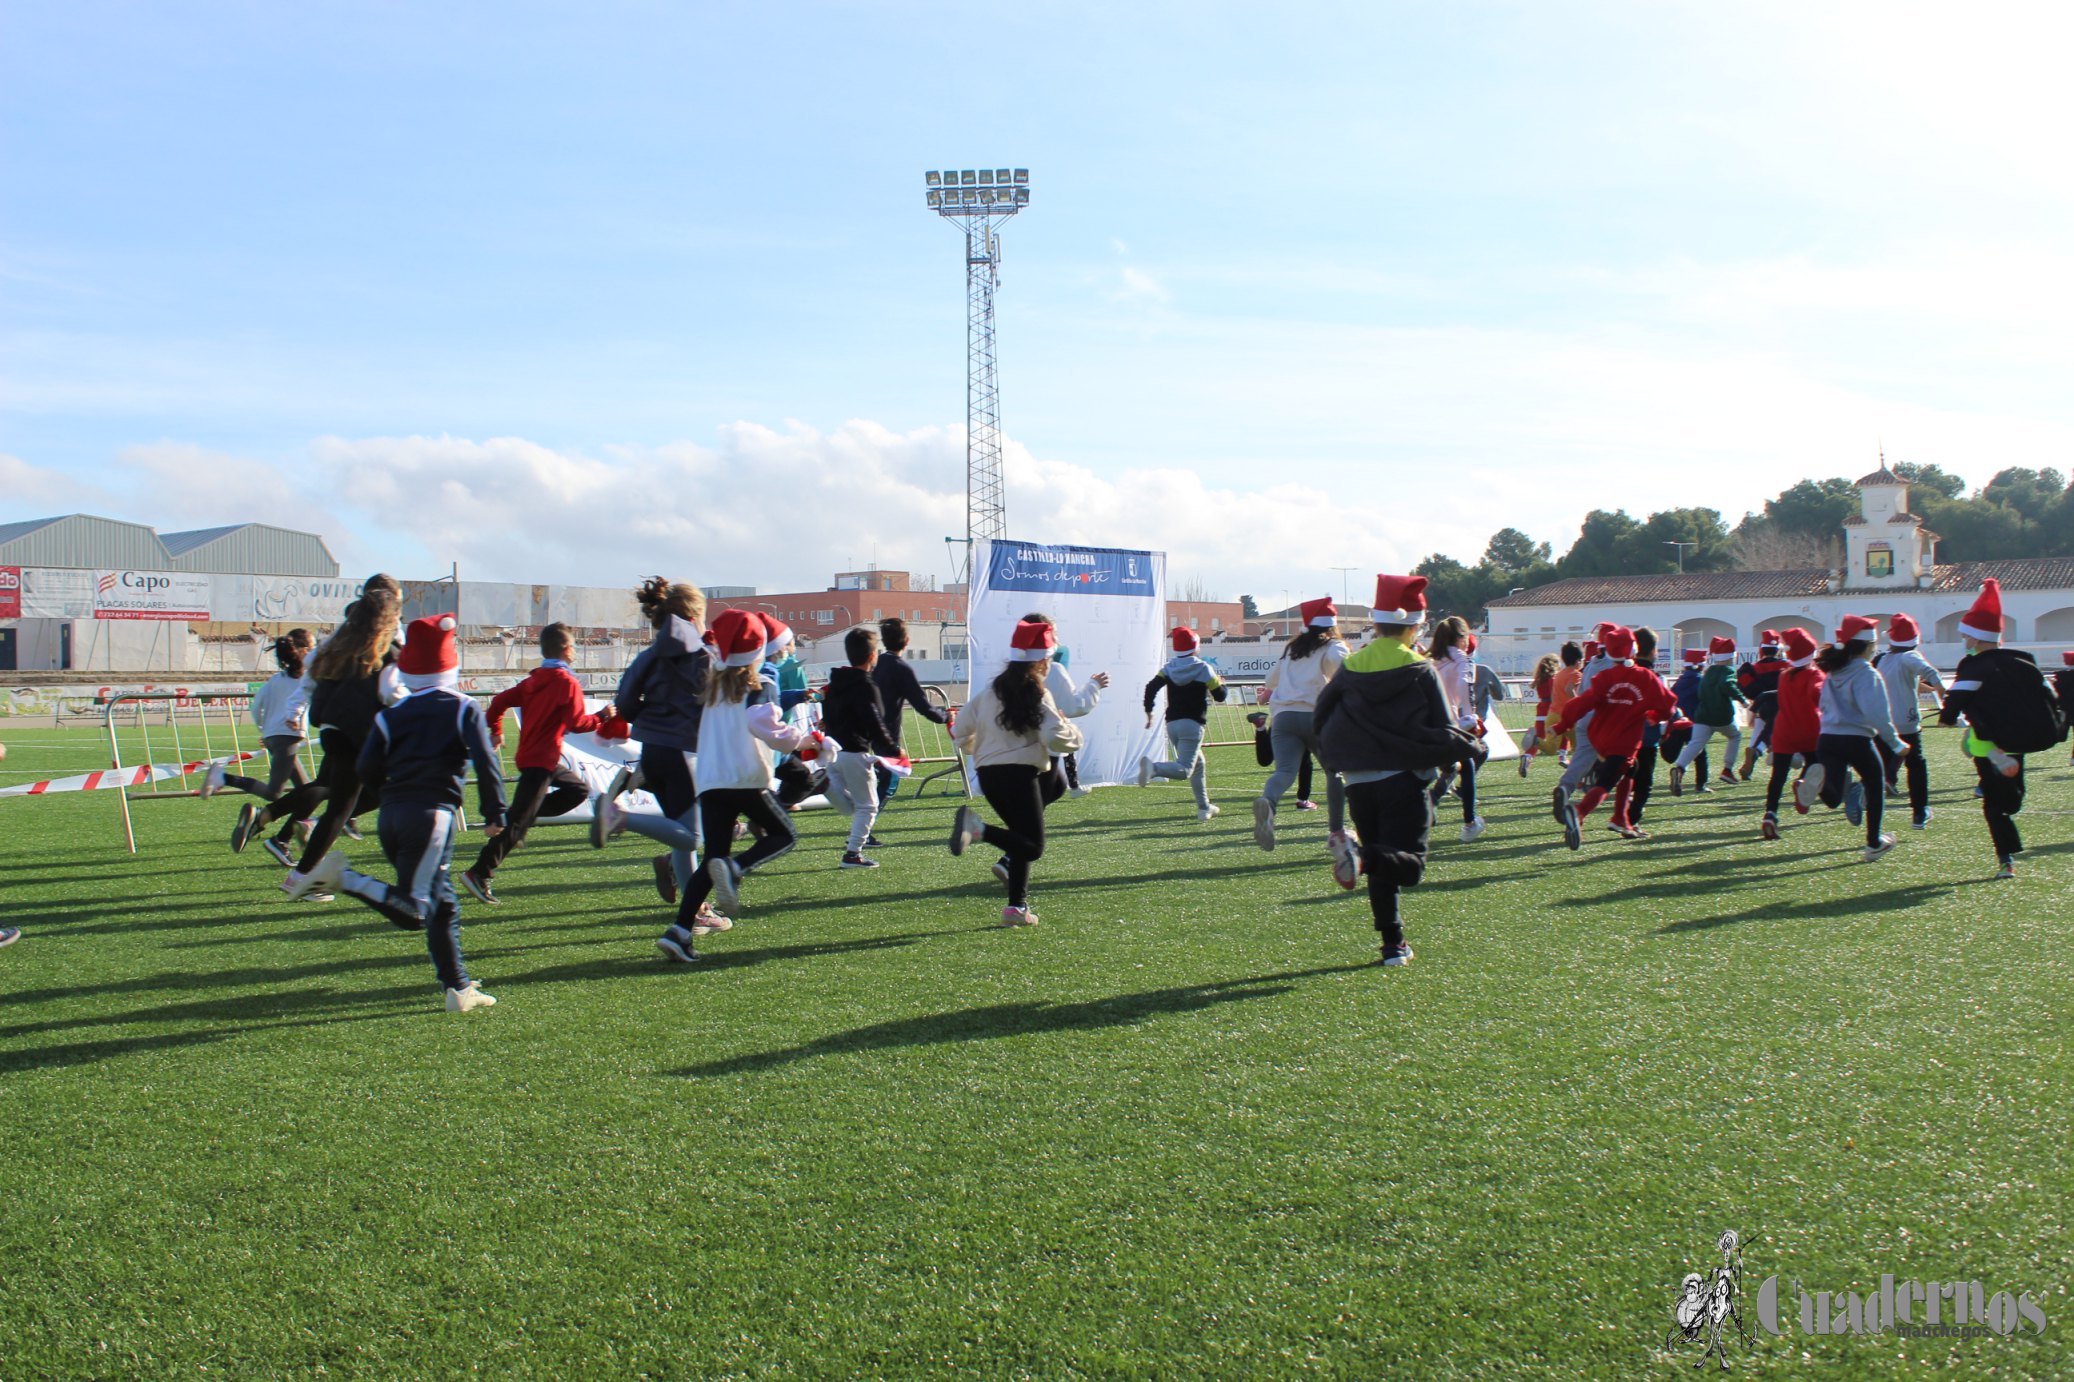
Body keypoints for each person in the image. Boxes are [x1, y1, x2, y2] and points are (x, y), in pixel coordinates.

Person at [292, 615, 508, 1012]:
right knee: (417, 911)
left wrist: (392, 795)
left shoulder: (392, 713)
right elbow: (485, 761)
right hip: (432, 817)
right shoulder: (463, 708)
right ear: (451, 665)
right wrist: (495, 811)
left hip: (392, 814)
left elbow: (368, 767)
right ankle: (345, 878)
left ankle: (458, 988)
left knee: (442, 904)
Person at [1313, 574, 1480, 966]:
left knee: (1383, 864)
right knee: (1409, 865)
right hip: (1404, 780)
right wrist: (1471, 746)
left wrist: (1339, 762)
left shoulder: (1352, 666)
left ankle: (1393, 945)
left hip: (1359, 783)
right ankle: (1360, 856)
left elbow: (1322, 718)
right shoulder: (1420, 669)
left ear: (1376, 622)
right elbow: (1442, 728)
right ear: (1416, 625)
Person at [655, 610, 818, 962]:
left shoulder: (713, 680)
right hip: (745, 778)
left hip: (712, 781)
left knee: (712, 858)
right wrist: (805, 741)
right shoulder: (760, 682)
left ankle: (680, 931)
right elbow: (765, 725)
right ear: (760, 647)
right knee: (784, 835)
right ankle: (736, 869)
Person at [262, 579, 404, 901]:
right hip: (361, 735)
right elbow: (393, 694)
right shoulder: (385, 651)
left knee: (341, 806)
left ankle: (300, 874)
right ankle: (417, 880)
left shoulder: (337, 646)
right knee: (395, 793)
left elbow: (314, 683)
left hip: (332, 732)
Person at [460, 622, 621, 903]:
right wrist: (603, 716)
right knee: (517, 824)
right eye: (574, 646)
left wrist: (496, 730)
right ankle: (480, 872)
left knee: (578, 792)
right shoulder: (566, 682)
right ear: (567, 649)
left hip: (535, 757)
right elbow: (577, 723)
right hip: (542, 760)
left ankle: (521, 818)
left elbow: (498, 701)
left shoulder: (534, 679)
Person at [947, 617, 1083, 927]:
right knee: (1033, 847)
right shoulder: (1038, 694)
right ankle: (977, 829)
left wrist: (967, 737)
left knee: (1019, 837)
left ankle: (1016, 908)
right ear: (1043, 660)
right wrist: (1072, 730)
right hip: (1019, 774)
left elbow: (961, 729)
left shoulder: (990, 691)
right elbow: (1053, 737)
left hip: (989, 775)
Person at [596, 578, 712, 915]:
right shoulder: (703, 657)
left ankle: (696, 912)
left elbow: (626, 705)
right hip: (683, 753)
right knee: (692, 837)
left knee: (680, 831)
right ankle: (617, 817)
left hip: (652, 751)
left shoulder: (648, 656)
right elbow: (711, 710)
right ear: (694, 617)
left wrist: (654, 716)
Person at [1938, 580, 2068, 879]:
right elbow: (2049, 696)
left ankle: (2005, 859)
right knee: (2012, 799)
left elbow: (1957, 699)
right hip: (2018, 737)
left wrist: (1946, 718)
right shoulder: (2025, 660)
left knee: (1995, 803)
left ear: (1974, 637)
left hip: (1987, 737)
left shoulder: (1972, 665)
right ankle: (2002, 766)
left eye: (1965, 634)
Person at [1544, 624, 1676, 846]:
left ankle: (1620, 818)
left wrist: (1561, 726)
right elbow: (1669, 705)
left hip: (1600, 737)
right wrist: (1655, 716)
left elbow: (1580, 703)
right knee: (1606, 783)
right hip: (1623, 742)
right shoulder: (1646, 677)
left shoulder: (1604, 677)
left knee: (1630, 769)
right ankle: (1578, 812)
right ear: (1633, 649)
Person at [1795, 616, 1906, 862]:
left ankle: (1818, 782)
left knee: (1834, 798)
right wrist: (1896, 742)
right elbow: (1877, 713)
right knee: (1875, 785)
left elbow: (1822, 704)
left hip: (1827, 738)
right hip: (1856, 739)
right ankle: (1874, 842)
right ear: (1869, 647)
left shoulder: (1834, 672)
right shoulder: (1868, 673)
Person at [1251, 597, 1349, 855]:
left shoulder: (1292, 648)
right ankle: (1336, 831)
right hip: (1317, 716)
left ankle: (1269, 804)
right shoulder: (1333, 646)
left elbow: (1270, 679)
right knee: (1334, 772)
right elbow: (1344, 667)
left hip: (1283, 718)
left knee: (1284, 772)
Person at [211, 628, 316, 865]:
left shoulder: (276, 680)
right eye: (311, 647)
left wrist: (265, 730)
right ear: (302, 651)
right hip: (286, 736)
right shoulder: (306, 678)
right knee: (274, 793)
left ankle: (289, 835)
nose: (315, 651)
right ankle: (225, 779)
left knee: (308, 791)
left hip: (274, 736)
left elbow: (256, 708)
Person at [821, 625, 903, 869]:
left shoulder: (835, 682)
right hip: (856, 751)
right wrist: (891, 748)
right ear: (872, 656)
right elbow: (874, 720)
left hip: (832, 751)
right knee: (869, 806)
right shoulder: (867, 685)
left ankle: (824, 783)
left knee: (853, 807)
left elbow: (829, 714)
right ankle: (853, 854)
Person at [1138, 625, 1228, 820]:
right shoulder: (1203, 668)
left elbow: (1150, 687)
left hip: (1172, 725)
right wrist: (1222, 683)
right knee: (1186, 769)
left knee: (1199, 764)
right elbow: (1220, 696)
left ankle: (1204, 808)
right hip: (1192, 724)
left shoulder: (1169, 668)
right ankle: (1154, 769)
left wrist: (1148, 711)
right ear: (1195, 646)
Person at [1874, 613, 1946, 830]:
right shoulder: (1911, 657)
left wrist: (1932, 690)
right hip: (1906, 724)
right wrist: (1945, 703)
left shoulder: (1882, 659)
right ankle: (1919, 811)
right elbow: (1931, 673)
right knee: (1916, 765)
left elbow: (1909, 682)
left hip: (1882, 723)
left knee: (1878, 767)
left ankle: (1864, 796)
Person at [873, 616, 950, 809]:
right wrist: (946, 716)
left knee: (882, 777)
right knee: (889, 781)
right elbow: (923, 706)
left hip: (868, 730)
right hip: (887, 734)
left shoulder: (876, 664)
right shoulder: (902, 669)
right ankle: (861, 834)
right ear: (907, 641)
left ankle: (862, 831)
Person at [1426, 617, 1488, 842]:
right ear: (1461, 638)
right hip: (1448, 721)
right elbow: (1464, 685)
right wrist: (1471, 716)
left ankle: (1432, 799)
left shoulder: (1433, 660)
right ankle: (1469, 822)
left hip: (1425, 722)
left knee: (1457, 763)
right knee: (1471, 761)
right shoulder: (1462, 659)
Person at [1760, 628, 1824, 840]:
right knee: (1818, 764)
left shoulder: (1784, 676)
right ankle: (1803, 784)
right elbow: (1818, 693)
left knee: (1777, 776)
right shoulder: (1814, 674)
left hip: (1784, 730)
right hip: (1810, 729)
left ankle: (1770, 814)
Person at [1668, 637, 1746, 793]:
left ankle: (1680, 768)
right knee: (1735, 736)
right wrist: (1743, 700)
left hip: (1701, 717)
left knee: (1695, 744)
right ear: (1732, 656)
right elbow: (1727, 685)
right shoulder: (1728, 671)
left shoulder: (1708, 672)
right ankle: (1727, 769)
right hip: (1721, 716)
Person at [1038, 626, 1108, 795]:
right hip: (1045, 734)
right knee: (1047, 790)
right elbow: (1076, 705)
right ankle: (976, 824)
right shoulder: (1053, 669)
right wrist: (1094, 685)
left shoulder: (1013, 671)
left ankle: (1074, 785)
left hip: (1019, 744)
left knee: (1053, 787)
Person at [1624, 628, 1667, 827]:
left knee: (1627, 780)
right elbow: (1665, 707)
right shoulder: (1655, 677)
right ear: (1653, 651)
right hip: (1647, 738)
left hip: (1624, 736)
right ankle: (1631, 821)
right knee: (1644, 784)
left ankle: (1623, 816)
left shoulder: (1624, 674)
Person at [1736, 631, 1788, 778]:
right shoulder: (1786, 666)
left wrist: (1758, 697)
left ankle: (1749, 763)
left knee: (1759, 733)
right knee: (1770, 735)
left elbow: (1746, 687)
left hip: (1762, 707)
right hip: (1781, 707)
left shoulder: (1751, 668)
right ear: (1778, 649)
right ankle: (1757, 751)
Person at [1518, 652, 1561, 777]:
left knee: (1538, 739)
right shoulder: (1553, 680)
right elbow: (1554, 696)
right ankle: (1563, 756)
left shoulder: (1540, 678)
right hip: (1550, 710)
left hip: (1540, 710)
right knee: (1563, 732)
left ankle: (1527, 756)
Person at [1542, 642, 1585, 768]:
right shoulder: (1576, 674)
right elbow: (1569, 689)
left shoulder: (1559, 674)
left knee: (1550, 749)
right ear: (1578, 661)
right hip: (1567, 717)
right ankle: (1577, 772)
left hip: (1552, 714)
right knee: (1579, 747)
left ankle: (1535, 741)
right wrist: (1579, 704)